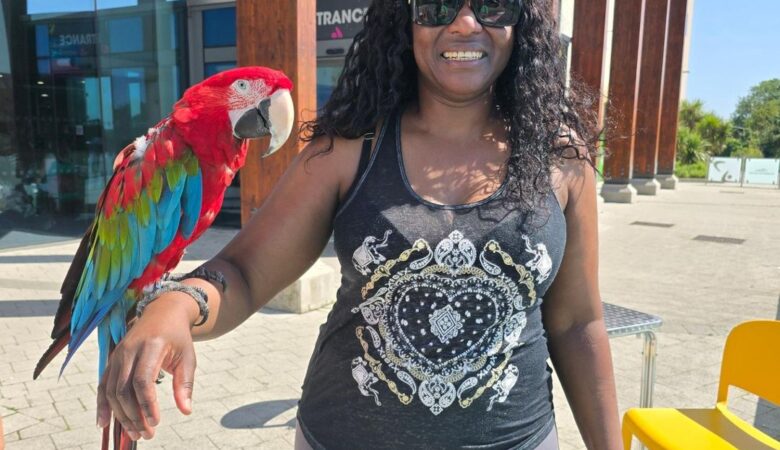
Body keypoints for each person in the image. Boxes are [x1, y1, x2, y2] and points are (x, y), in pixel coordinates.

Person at [96, 0, 622, 448]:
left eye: (492, 3)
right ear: (404, 20)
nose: (465, 23)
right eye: (436, 4)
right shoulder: (349, 147)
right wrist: (176, 305)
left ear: (522, 22)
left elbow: (578, 324)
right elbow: (245, 270)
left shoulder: (560, 157)